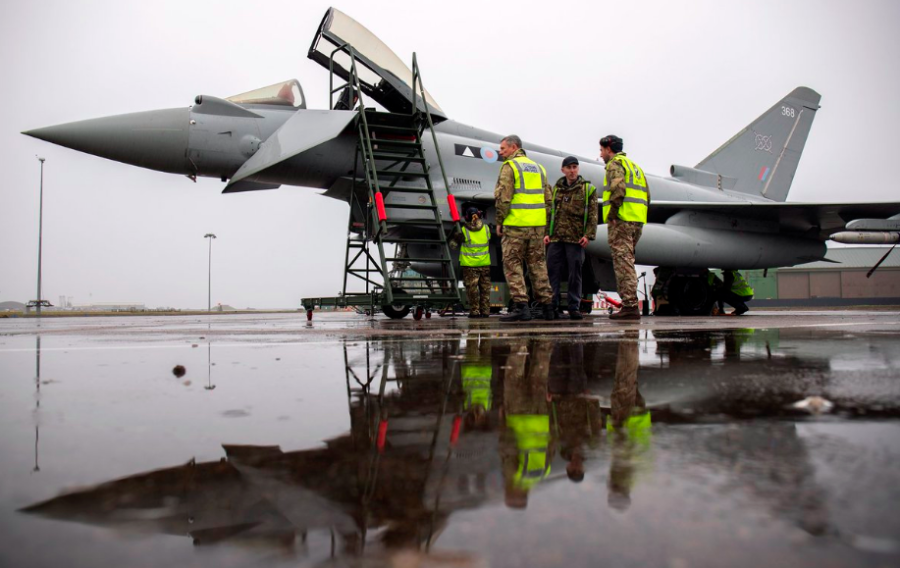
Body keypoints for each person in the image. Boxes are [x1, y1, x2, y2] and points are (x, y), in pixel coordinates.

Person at [494, 135, 555, 322]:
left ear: (514, 147)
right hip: (536, 227)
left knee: (513, 265)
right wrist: (543, 225)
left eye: (503, 148)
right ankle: (548, 308)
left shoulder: (510, 167)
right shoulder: (539, 168)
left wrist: (500, 221)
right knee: (538, 265)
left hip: (516, 226)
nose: (501, 152)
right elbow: (548, 200)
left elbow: (503, 197)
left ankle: (522, 307)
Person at [600, 135, 649, 321]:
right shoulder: (635, 167)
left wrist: (612, 214)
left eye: (601, 150)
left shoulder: (615, 164)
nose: (600, 154)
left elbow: (618, 190)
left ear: (608, 149)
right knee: (628, 261)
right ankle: (630, 304)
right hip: (637, 221)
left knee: (623, 263)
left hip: (622, 221)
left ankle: (629, 306)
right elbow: (647, 195)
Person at [544, 156, 598, 320]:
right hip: (556, 238)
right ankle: (552, 306)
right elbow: (550, 212)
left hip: (575, 239)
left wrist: (588, 235)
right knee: (552, 272)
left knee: (575, 274)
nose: (572, 170)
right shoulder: (556, 189)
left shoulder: (587, 189)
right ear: (563, 170)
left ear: (578, 169)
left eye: (575, 167)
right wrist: (547, 233)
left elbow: (593, 215)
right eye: (569, 167)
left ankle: (574, 307)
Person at [450, 207, 493, 318]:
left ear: (467, 217)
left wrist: (456, 236)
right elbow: (488, 238)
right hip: (484, 264)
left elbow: (453, 246)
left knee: (472, 290)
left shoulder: (463, 231)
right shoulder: (487, 229)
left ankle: (474, 311)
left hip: (470, 266)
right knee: (485, 289)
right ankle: (486, 311)